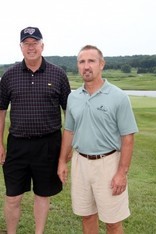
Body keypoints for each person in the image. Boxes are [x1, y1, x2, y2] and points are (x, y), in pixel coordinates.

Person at [0, 26, 71, 234]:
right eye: (26, 44)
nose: (31, 47)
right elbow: (0, 110)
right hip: (18, 144)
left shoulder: (58, 74)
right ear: (20, 47)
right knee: (13, 196)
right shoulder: (9, 75)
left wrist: (66, 150)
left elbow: (69, 112)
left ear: (42, 45)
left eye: (35, 43)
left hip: (48, 144)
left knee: (42, 194)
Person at [57, 45, 138, 234]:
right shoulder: (73, 97)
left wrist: (121, 173)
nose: (86, 66)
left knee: (113, 221)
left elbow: (128, 138)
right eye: (82, 62)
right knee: (87, 216)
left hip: (108, 164)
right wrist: (62, 161)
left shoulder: (119, 97)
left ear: (101, 64)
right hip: (80, 163)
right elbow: (69, 131)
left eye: (91, 61)